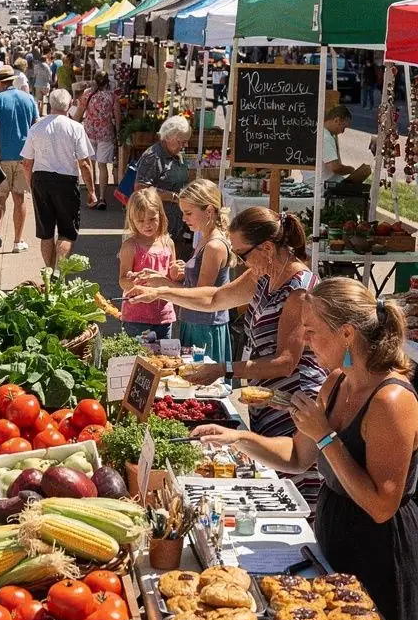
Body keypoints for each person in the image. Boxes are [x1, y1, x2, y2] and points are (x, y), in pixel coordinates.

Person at [196, 278, 418, 620]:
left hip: (380, 553)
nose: (305, 342)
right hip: (336, 541)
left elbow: (382, 505)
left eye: (312, 332)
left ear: (347, 334)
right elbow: (298, 457)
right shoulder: (336, 383)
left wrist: (326, 436)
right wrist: (239, 439)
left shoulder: (392, 400)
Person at [133, 206, 325, 507]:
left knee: (294, 489)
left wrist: (224, 369)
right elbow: (214, 298)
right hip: (267, 398)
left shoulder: (297, 291)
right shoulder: (264, 273)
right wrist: (162, 292)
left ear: (266, 248)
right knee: (272, 476)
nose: (238, 261)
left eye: (241, 254)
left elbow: (286, 362)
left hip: (294, 405)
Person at [20, 88, 97, 268]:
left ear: (49, 105)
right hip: (66, 181)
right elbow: (84, 163)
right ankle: (59, 273)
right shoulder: (75, 127)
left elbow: (26, 162)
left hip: (41, 179)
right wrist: (91, 191)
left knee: (45, 232)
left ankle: (49, 271)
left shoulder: (36, 127)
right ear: (70, 105)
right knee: (67, 231)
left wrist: (32, 184)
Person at [169, 179, 233, 362]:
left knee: (202, 385)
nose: (184, 219)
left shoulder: (214, 246)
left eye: (188, 213)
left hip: (205, 328)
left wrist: (161, 287)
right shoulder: (205, 239)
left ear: (210, 211)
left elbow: (200, 296)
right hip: (194, 322)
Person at [0, 65, 38, 253]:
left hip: (2, 156)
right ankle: (18, 241)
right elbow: (35, 125)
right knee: (20, 198)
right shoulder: (29, 98)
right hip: (24, 156)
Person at [119, 187, 176, 340]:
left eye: (152, 219)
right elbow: (122, 281)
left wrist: (180, 271)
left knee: (164, 359)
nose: (147, 225)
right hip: (136, 317)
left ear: (161, 215)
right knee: (135, 358)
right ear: (132, 220)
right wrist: (131, 281)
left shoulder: (167, 243)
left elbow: (174, 277)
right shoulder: (130, 246)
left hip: (164, 315)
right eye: (141, 220)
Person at [134, 114, 192, 243]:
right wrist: (172, 197)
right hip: (159, 222)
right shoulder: (152, 157)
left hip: (178, 221)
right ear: (167, 137)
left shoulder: (178, 154)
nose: (185, 145)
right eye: (181, 141)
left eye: (186, 141)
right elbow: (141, 189)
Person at [76, 70, 121, 210]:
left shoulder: (87, 93)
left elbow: (80, 112)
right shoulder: (112, 96)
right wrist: (118, 131)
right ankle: (102, 198)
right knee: (102, 166)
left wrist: (73, 125)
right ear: (107, 81)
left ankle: (92, 194)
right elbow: (117, 115)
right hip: (105, 134)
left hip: (89, 133)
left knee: (91, 164)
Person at [322, 104, 355, 180]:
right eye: (344, 127)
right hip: (322, 183)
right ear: (337, 120)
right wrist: (351, 169)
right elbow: (334, 167)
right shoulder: (325, 137)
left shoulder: (322, 133)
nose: (343, 132)